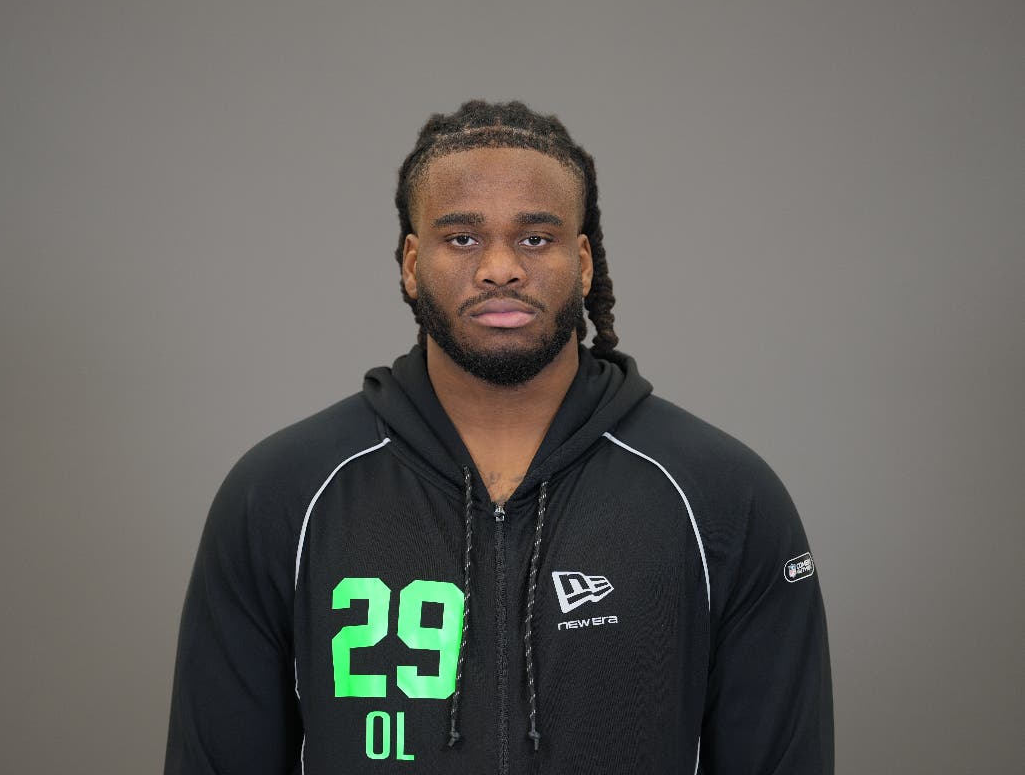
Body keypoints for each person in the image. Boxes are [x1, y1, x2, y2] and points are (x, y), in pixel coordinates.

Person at [165, 100, 834, 774]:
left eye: (535, 239)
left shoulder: (721, 495)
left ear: (582, 262)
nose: (500, 268)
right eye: (462, 238)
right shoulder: (283, 493)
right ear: (410, 263)